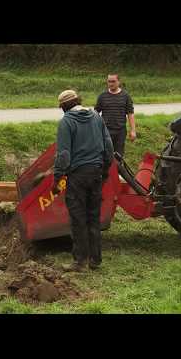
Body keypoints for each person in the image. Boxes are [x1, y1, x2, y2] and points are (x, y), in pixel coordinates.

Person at [53, 90, 114, 272]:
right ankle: (95, 260)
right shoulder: (96, 117)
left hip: (78, 176)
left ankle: (79, 261)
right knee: (93, 217)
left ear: (64, 107)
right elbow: (108, 146)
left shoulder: (67, 122)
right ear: (78, 100)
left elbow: (64, 155)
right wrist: (104, 170)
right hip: (95, 173)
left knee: (78, 219)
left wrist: (57, 178)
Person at [94, 74, 136, 158]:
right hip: (105, 131)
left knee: (118, 156)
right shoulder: (102, 96)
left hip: (120, 131)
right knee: (106, 155)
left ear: (119, 82)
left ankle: (118, 171)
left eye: (113, 81)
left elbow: (130, 114)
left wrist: (133, 130)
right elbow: (95, 113)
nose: (111, 84)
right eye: (109, 81)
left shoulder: (126, 96)